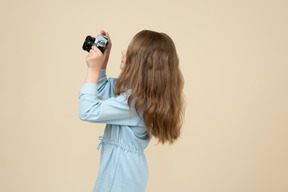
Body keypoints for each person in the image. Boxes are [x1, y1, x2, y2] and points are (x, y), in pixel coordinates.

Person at [78, 29, 185, 192]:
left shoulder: (134, 101)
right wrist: (103, 63)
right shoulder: (133, 91)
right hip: (121, 168)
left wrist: (93, 69)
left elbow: (88, 111)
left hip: (122, 173)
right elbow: (101, 88)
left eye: (129, 50)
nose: (123, 52)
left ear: (142, 63)